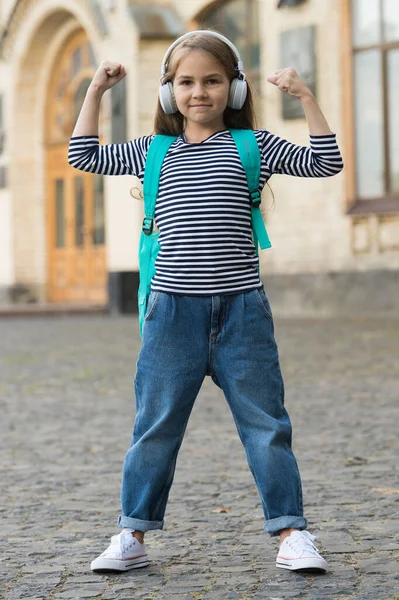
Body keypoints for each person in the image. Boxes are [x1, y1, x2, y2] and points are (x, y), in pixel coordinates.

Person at [68, 30, 343, 575]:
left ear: (234, 89)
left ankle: (292, 533)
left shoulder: (255, 146)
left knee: (267, 424)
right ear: (170, 92)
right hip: (172, 315)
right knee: (155, 426)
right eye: (187, 82)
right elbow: (82, 154)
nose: (200, 92)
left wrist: (306, 98)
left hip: (243, 313)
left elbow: (326, 161)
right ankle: (132, 533)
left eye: (213, 81)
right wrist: (96, 90)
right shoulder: (153, 152)